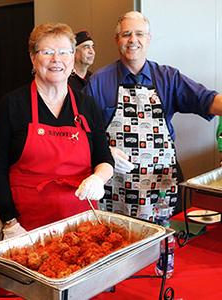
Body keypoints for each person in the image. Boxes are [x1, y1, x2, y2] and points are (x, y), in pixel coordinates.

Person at [85, 11, 222, 220]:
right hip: (116, 187)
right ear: (116, 40)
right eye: (126, 34)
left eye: (139, 34)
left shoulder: (168, 77)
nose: (133, 40)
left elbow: (208, 100)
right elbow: (82, 132)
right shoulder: (98, 82)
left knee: (163, 242)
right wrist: (106, 150)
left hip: (160, 183)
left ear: (149, 39)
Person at [0, 23, 114, 239]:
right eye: (47, 52)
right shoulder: (12, 105)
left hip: (82, 224)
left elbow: (104, 158)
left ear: (73, 57)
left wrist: (99, 179)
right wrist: (10, 223)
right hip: (26, 227)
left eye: (64, 52)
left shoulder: (87, 105)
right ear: (33, 58)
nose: (56, 59)